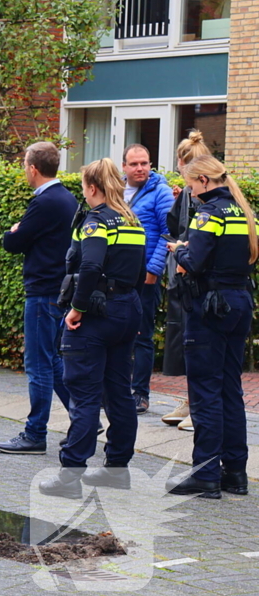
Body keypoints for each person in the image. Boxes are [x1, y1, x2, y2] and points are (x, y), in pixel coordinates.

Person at [39, 158, 145, 498]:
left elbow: (91, 264)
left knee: (84, 395)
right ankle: (117, 469)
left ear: (93, 188)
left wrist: (76, 308)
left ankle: (69, 477)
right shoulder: (132, 221)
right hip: (127, 309)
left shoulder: (96, 222)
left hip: (96, 314)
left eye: (84, 187)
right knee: (119, 393)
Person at [165, 156, 256, 499]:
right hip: (239, 302)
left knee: (205, 390)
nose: (190, 191)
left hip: (209, 307)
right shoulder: (246, 214)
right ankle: (235, 472)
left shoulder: (208, 215)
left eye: (190, 185)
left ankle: (205, 473)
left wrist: (179, 250)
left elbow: (195, 261)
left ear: (203, 180)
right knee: (230, 389)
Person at [0, 142, 76, 454]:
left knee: (38, 364)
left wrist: (13, 232)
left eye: (24, 165)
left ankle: (35, 433)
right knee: (54, 360)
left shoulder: (44, 202)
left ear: (33, 168)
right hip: (58, 289)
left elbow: (14, 242)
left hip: (43, 291)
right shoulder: (67, 198)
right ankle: (82, 416)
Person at [161, 130, 212, 431]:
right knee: (188, 344)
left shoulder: (203, 199)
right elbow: (173, 225)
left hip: (194, 279)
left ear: (182, 163)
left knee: (199, 344)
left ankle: (200, 405)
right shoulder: (188, 194)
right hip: (184, 278)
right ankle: (193, 399)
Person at [121, 144, 174, 415]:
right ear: (124, 167)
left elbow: (168, 235)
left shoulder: (161, 193)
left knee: (142, 336)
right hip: (119, 278)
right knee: (119, 335)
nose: (140, 168)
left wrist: (153, 272)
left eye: (145, 163)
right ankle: (118, 389)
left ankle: (140, 394)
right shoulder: (116, 191)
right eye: (134, 164)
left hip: (145, 278)